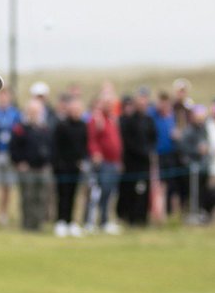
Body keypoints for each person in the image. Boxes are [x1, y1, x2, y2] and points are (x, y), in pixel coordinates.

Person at [10, 98, 53, 231]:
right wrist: (19, 162)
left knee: (41, 197)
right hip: (27, 169)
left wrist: (48, 163)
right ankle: (27, 224)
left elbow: (51, 147)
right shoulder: (20, 128)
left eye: (37, 111)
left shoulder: (44, 128)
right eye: (32, 111)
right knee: (27, 197)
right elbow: (14, 148)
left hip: (42, 168)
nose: (35, 113)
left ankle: (38, 223)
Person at [85, 88, 123, 233]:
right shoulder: (97, 119)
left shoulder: (112, 119)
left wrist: (119, 160)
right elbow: (92, 139)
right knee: (97, 193)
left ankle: (105, 221)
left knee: (110, 193)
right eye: (106, 102)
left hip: (113, 163)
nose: (109, 105)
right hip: (102, 163)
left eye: (111, 102)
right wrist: (96, 153)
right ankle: (91, 222)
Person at [118, 88, 157, 226]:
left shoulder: (149, 120)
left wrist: (148, 151)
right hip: (132, 162)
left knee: (144, 191)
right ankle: (131, 218)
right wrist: (141, 151)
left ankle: (143, 218)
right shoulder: (129, 120)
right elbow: (127, 141)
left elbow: (153, 137)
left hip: (145, 162)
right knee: (131, 190)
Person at [52, 95, 87, 236]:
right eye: (73, 109)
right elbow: (55, 146)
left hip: (76, 166)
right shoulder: (62, 125)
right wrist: (58, 163)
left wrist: (82, 160)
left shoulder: (83, 125)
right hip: (62, 167)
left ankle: (71, 221)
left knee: (73, 194)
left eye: (78, 109)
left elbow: (84, 145)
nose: (76, 112)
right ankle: (61, 221)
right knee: (62, 195)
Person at [0, 86, 21, 225]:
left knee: (7, 186)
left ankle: (3, 214)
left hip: (9, 153)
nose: (3, 99)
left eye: (6, 96)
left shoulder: (15, 114)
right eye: (1, 96)